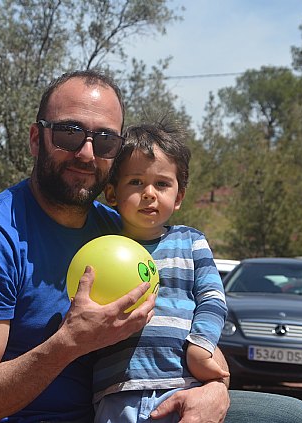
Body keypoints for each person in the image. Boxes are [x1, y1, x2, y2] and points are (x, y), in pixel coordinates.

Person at [0, 69, 302, 423]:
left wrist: (214, 390)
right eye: (69, 133)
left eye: (105, 140)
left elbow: (186, 320)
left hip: (131, 406)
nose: (86, 153)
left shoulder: (118, 228)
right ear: (37, 139)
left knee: (292, 418)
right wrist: (68, 344)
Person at [93, 119, 229, 422]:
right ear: (112, 194)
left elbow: (213, 299)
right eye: (136, 182)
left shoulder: (191, 242)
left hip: (182, 388)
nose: (149, 193)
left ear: (178, 197)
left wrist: (201, 345)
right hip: (117, 394)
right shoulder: (102, 250)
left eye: (162, 184)